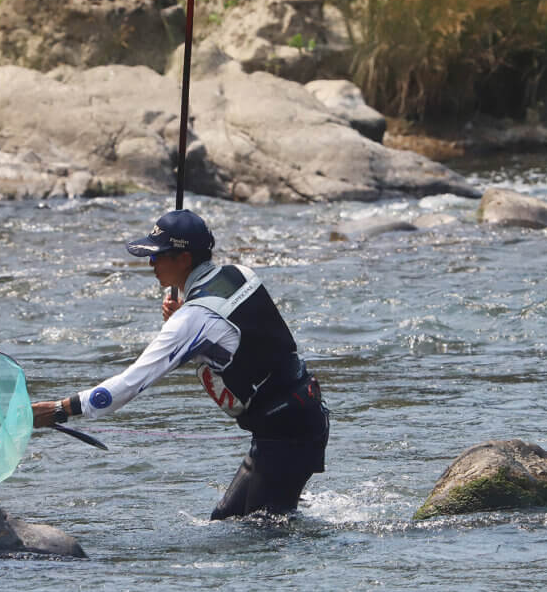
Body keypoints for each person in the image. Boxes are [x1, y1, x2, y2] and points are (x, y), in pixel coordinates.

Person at [32, 209, 329, 520]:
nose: (151, 264)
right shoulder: (241, 274)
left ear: (183, 259)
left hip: (287, 433)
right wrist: (186, 316)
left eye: (158, 255)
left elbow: (130, 383)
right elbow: (237, 336)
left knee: (257, 536)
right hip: (297, 417)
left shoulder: (192, 320)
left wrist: (59, 410)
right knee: (228, 522)